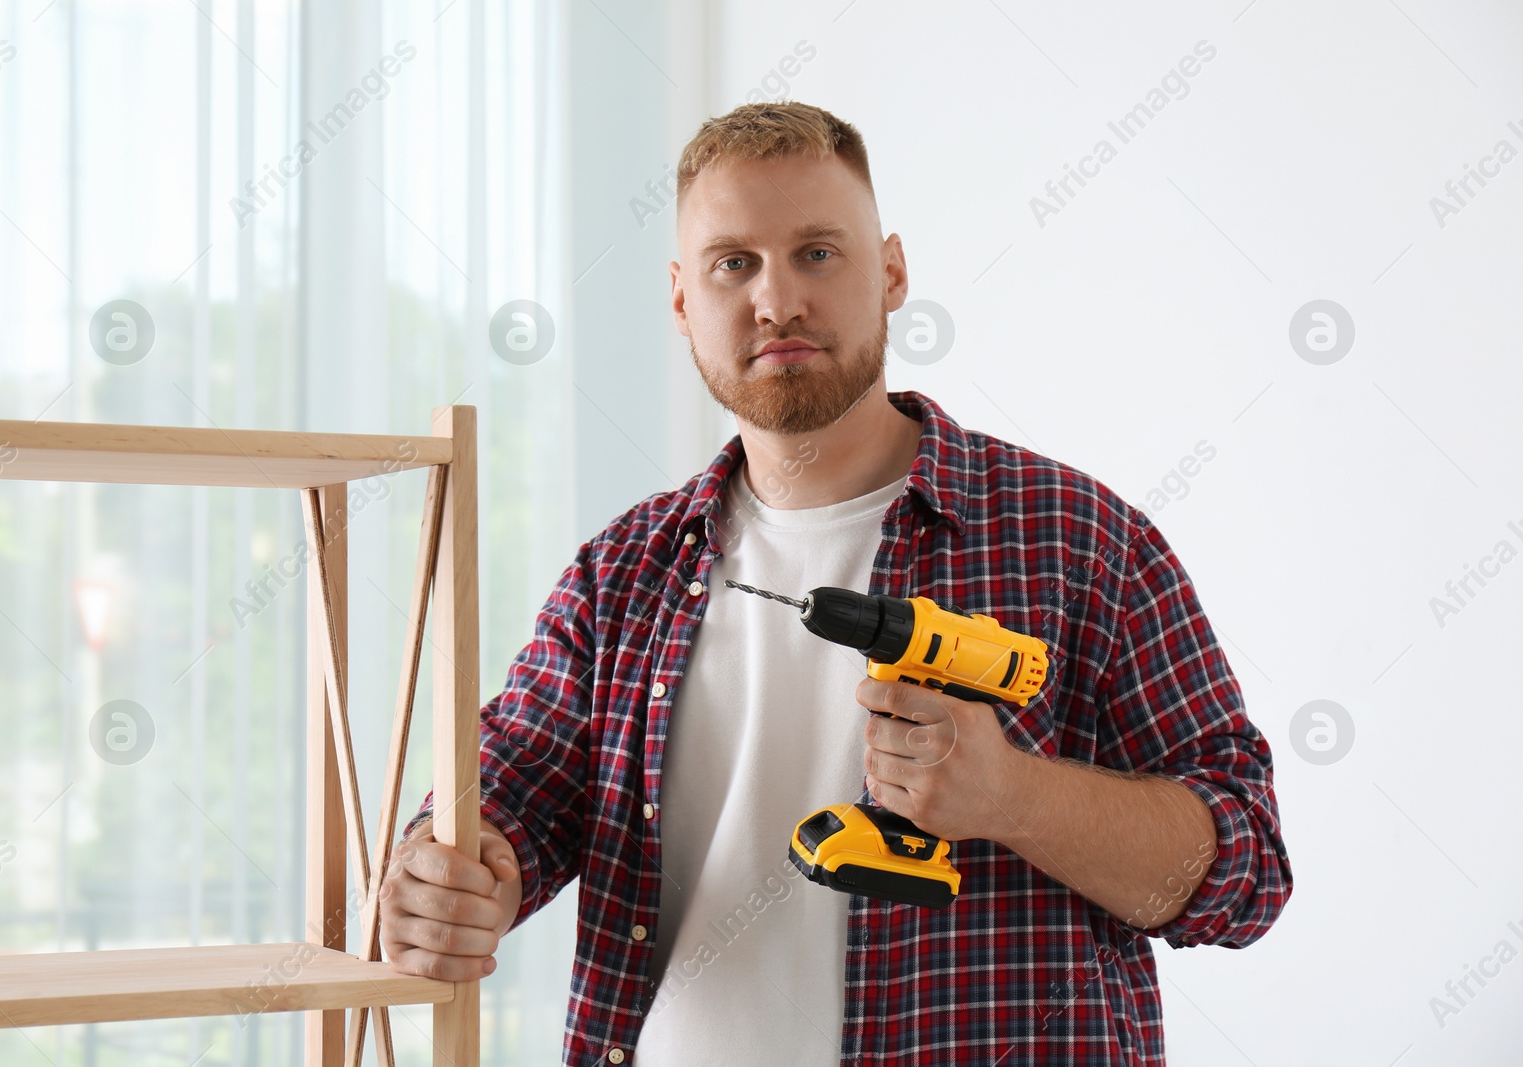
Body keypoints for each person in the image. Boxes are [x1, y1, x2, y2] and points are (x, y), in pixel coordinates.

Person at [380, 101, 1292, 1066]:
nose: (777, 302)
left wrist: (1014, 796)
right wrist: (449, 873)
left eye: (818, 253)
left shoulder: (1077, 542)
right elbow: (504, 790)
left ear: (892, 271)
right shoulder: (622, 574)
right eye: (734, 263)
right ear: (684, 300)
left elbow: (1244, 877)